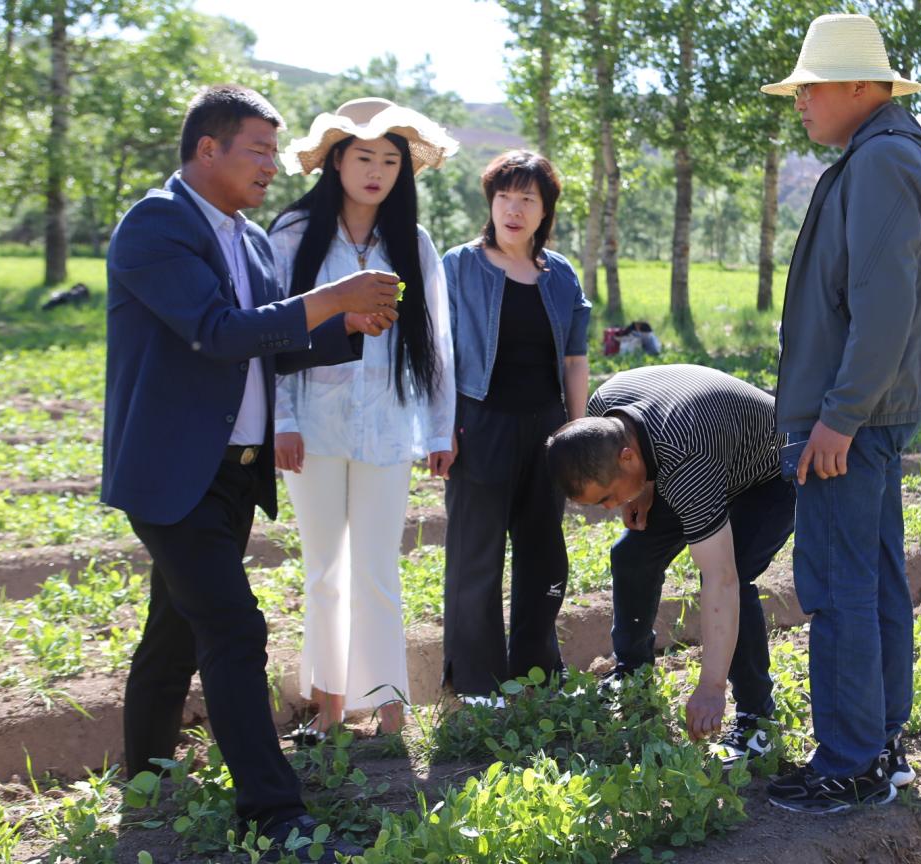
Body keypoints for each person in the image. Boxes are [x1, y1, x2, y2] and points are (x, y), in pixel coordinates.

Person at [102, 85, 401, 858]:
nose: (275, 165)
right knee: (234, 629)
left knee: (173, 633)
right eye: (259, 151)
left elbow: (272, 341)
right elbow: (217, 331)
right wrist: (330, 294)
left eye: (275, 151)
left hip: (234, 472)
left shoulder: (251, 240)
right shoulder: (156, 225)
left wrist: (347, 327)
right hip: (173, 471)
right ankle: (273, 811)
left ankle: (147, 779)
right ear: (208, 149)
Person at [760, 14, 921, 813]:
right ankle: (880, 750)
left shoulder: (879, 164)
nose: (800, 102)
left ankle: (848, 762)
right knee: (872, 580)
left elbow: (884, 307)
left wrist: (837, 417)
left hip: (854, 419)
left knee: (840, 587)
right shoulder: (884, 156)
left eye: (809, 88)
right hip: (868, 414)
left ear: (855, 86)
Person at [269, 97, 458, 740]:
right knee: (324, 569)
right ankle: (327, 706)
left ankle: (390, 705)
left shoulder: (413, 243)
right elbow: (275, 335)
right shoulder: (293, 234)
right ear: (336, 162)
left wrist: (438, 430)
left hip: (386, 425)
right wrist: (280, 421)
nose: (376, 171)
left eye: (389, 160)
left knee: (376, 567)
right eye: (363, 157)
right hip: (312, 430)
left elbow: (436, 344)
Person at [545, 364, 795, 764]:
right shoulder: (604, 409)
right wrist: (640, 488)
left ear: (627, 458)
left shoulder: (686, 461)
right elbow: (647, 448)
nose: (612, 508)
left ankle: (756, 721)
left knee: (737, 571)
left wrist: (711, 687)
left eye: (608, 497)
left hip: (768, 471)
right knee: (631, 555)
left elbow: (722, 580)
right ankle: (632, 671)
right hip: (692, 455)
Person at [440, 150, 590, 702]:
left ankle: (536, 669)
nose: (514, 208)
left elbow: (575, 361)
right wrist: (442, 425)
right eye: (505, 196)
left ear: (545, 208)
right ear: (491, 201)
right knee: (475, 552)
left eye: (528, 198)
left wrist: (579, 433)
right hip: (480, 423)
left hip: (547, 429)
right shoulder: (460, 265)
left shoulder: (560, 275)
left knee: (544, 550)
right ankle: (476, 680)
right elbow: (440, 355)